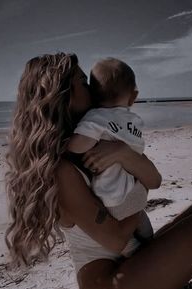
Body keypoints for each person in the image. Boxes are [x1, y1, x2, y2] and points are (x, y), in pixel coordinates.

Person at [5, 52, 192, 289]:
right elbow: (114, 239)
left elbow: (155, 178)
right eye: (82, 82)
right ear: (64, 95)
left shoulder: (103, 135)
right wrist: (138, 194)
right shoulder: (62, 170)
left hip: (136, 263)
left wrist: (124, 153)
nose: (92, 86)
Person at [67, 58, 161, 247]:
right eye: (83, 82)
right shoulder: (131, 121)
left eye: (89, 84)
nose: (89, 89)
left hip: (117, 202)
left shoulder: (97, 121)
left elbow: (155, 180)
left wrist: (64, 145)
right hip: (134, 195)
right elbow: (152, 180)